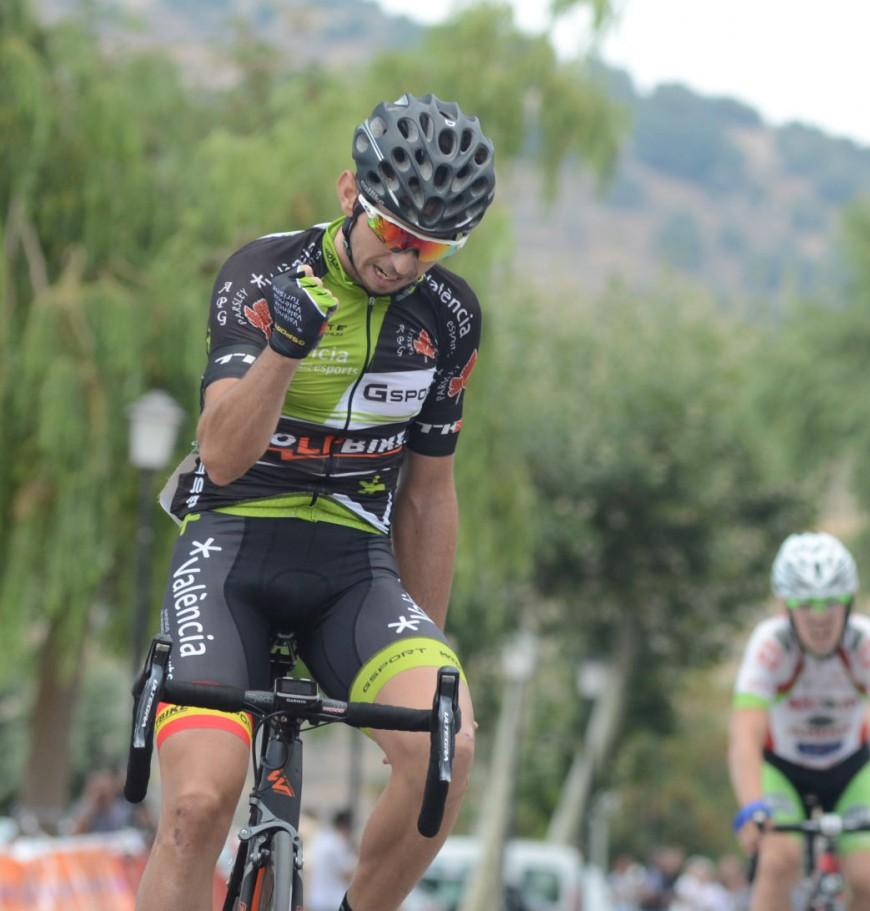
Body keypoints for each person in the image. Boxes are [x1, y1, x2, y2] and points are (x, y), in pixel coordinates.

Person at [134, 92, 496, 911]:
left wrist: (423, 651)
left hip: (352, 568)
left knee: (449, 746)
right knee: (196, 806)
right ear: (349, 191)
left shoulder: (449, 318)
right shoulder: (261, 274)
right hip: (232, 547)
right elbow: (222, 455)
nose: (404, 260)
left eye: (431, 245)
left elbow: (428, 496)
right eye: (395, 231)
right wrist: (284, 349)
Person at [727, 531, 870, 911]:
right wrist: (751, 804)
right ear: (785, 605)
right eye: (805, 603)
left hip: (849, 767)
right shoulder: (769, 646)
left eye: (831, 602)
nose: (819, 616)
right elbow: (745, 734)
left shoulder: (869, 643)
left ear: (850, 601)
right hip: (783, 768)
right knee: (778, 862)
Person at [308, 808, 357, 911]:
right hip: (333, 902)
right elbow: (348, 875)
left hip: (316, 900)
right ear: (345, 827)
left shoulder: (320, 839)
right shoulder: (338, 843)